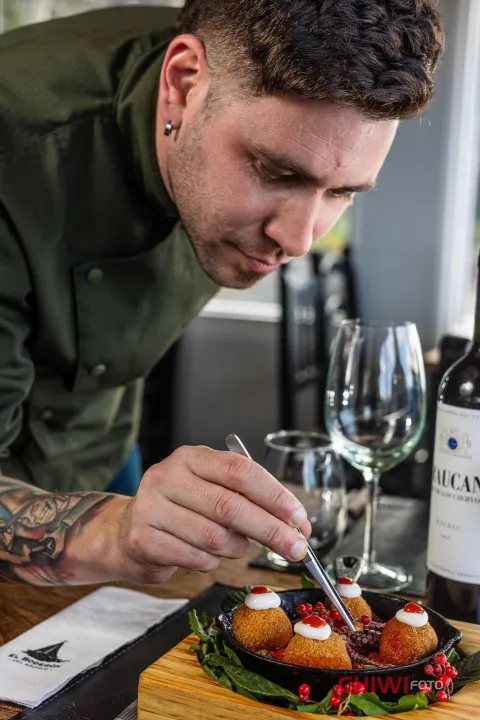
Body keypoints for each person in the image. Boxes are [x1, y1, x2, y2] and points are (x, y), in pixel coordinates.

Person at [0, 0, 443, 585]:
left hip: (104, 448)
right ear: (183, 86)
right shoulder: (15, 156)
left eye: (343, 193)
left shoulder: (225, 103)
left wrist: (130, 521)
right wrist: (113, 532)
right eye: (278, 172)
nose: (299, 240)